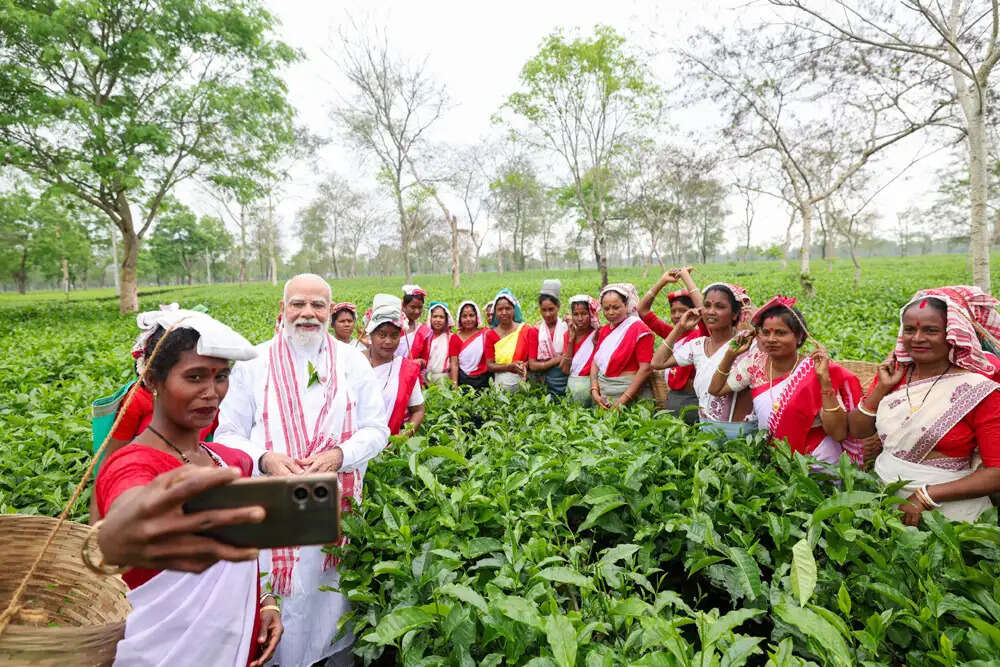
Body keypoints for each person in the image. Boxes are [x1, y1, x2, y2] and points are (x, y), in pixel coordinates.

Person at [214, 274, 390, 667]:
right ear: (282, 310)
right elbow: (227, 432)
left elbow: (378, 430)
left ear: (330, 311)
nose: (307, 313)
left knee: (334, 604)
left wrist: (340, 456)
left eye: (317, 305)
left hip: (337, 511)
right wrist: (265, 459)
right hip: (275, 509)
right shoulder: (254, 362)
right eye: (298, 304)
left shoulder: (352, 362)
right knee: (283, 608)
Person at [91, 309, 281, 667]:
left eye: (221, 376)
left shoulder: (228, 461)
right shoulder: (133, 464)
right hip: (161, 653)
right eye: (194, 377)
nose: (212, 393)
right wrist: (119, 533)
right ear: (152, 380)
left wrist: (265, 601)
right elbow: (121, 516)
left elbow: (245, 551)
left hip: (233, 646)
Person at [848, 287, 1000, 524]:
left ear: (951, 335)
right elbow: (858, 431)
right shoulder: (894, 374)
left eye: (931, 331)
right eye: (910, 330)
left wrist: (926, 496)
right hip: (882, 503)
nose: (917, 338)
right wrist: (880, 389)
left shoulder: (979, 389)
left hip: (951, 517)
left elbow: (996, 473)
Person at [708, 296, 864, 465]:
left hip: (816, 460)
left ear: (799, 337)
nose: (771, 339)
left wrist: (825, 382)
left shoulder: (814, 370)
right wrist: (731, 355)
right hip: (775, 458)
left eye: (780, 333)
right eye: (766, 332)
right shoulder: (754, 364)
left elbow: (838, 433)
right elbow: (716, 389)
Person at [652, 282, 756, 437]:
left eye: (720, 307)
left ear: (735, 314)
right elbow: (657, 363)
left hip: (740, 433)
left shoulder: (746, 343)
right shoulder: (698, 345)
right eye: (707, 306)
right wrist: (680, 327)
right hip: (706, 430)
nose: (711, 312)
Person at [638, 267, 705, 424]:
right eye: (673, 311)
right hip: (673, 397)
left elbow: (705, 311)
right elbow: (642, 310)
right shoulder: (673, 333)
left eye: (682, 310)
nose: (676, 315)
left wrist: (687, 280)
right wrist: (662, 282)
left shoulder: (703, 334)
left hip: (692, 399)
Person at [364, 294, 426, 435]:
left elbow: (418, 410)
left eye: (394, 335)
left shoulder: (406, 369)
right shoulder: (353, 363)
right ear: (371, 334)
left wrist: (403, 436)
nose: (388, 341)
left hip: (391, 450)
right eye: (382, 334)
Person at [590, 283, 655, 408]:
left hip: (630, 393)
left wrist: (622, 401)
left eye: (616, 307)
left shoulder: (639, 329)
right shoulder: (604, 330)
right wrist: (594, 390)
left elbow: (645, 369)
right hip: (605, 393)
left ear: (626, 305)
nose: (611, 312)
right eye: (606, 308)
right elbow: (596, 361)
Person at [484, 289, 531, 393]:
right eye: (500, 309)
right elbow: (490, 365)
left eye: (508, 308)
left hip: (524, 383)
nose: (504, 312)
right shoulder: (490, 335)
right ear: (495, 312)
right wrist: (509, 367)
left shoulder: (525, 330)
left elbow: (532, 359)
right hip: (500, 389)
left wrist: (523, 366)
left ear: (514, 310)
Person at [527, 279, 568, 397]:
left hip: (563, 376)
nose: (547, 314)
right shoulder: (535, 331)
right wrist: (554, 361)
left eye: (551, 309)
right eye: (543, 310)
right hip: (542, 378)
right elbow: (533, 365)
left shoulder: (566, 328)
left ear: (558, 307)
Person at [560, 294, 599, 405]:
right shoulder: (568, 335)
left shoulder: (597, 334)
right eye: (576, 314)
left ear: (591, 314)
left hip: (593, 388)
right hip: (573, 388)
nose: (580, 318)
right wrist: (571, 340)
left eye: (584, 314)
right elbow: (565, 370)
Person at [452, 301, 492, 389]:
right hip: (463, 379)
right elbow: (454, 363)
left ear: (477, 317)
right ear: (459, 318)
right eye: (464, 316)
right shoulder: (455, 338)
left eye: (471, 315)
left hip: (484, 379)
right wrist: (454, 384)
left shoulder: (485, 334)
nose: (468, 319)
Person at [419, 301, 457, 386]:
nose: (438, 320)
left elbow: (454, 363)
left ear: (446, 319)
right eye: (435, 316)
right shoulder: (425, 337)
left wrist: (454, 384)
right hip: (426, 379)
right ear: (430, 318)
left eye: (441, 317)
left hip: (444, 378)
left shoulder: (451, 337)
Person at [397, 284, 431, 360]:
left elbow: (425, 359)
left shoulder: (423, 331)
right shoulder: (394, 326)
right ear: (403, 306)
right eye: (413, 307)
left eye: (420, 307)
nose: (417, 311)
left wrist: (419, 362)